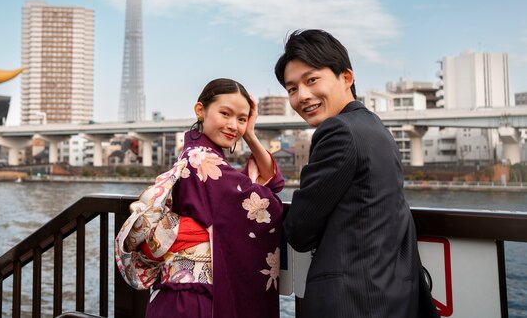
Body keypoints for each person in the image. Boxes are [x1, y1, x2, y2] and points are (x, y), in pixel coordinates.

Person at [274, 30, 439, 318]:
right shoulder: (374, 128)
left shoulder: (338, 131)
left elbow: (299, 230)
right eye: (292, 89)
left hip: (351, 302)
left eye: (312, 80)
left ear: (346, 77)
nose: (302, 96)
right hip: (388, 295)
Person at [117, 78, 284, 318]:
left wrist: (250, 135)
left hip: (179, 292)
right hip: (191, 295)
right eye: (225, 113)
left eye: (241, 119)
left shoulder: (200, 156)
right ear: (200, 110)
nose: (233, 125)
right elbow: (268, 208)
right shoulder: (201, 159)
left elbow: (273, 181)